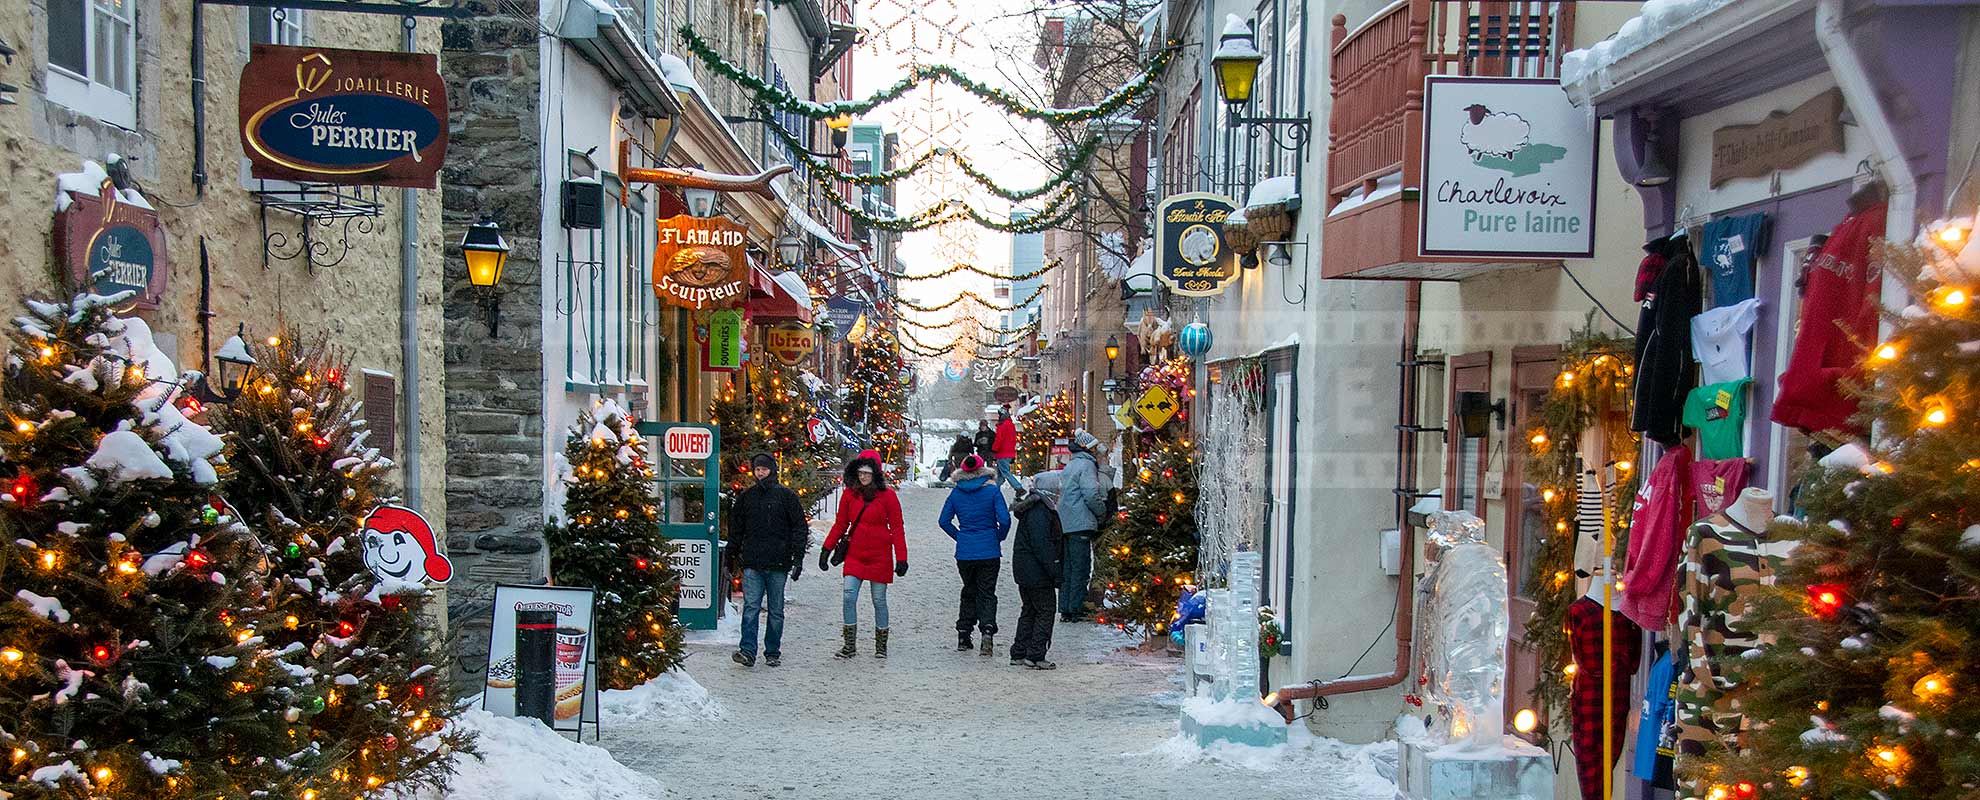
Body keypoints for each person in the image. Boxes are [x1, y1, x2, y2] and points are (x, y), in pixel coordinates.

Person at [819, 450, 908, 659]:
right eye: (860, 473)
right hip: (855, 553)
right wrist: (826, 548)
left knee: (879, 600)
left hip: (880, 555)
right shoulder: (850, 494)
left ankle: (881, 645)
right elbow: (841, 523)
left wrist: (902, 557)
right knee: (848, 595)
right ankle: (849, 645)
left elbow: (897, 528)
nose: (863, 477)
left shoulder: (888, 496)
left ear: (875, 474)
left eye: (867, 473)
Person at [727, 453, 807, 668]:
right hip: (753, 561)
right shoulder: (747, 498)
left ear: (771, 469)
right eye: (757, 469)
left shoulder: (787, 497)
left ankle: (772, 650)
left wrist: (797, 558)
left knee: (776, 610)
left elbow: (799, 527)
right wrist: (731, 556)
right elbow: (737, 529)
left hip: (778, 562)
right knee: (751, 607)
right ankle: (748, 651)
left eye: (763, 469)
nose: (760, 472)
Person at [938, 455, 1011, 655]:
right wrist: (998, 537)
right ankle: (987, 632)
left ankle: (963, 634)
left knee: (969, 590)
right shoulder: (992, 491)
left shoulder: (956, 493)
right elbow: (1004, 520)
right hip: (989, 550)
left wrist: (960, 537)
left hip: (965, 552)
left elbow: (943, 521)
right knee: (987, 592)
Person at [1010, 471, 1064, 669]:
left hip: (1025, 570)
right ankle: (1035, 654)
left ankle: (1019, 651)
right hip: (1037, 572)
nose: (1060, 491)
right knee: (1045, 610)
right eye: (1058, 488)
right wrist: (1055, 571)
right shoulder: (1041, 511)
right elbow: (1043, 546)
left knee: (1030, 610)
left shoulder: (1034, 508)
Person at [1057, 429, 1107, 622]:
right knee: (1080, 567)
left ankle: (1066, 607)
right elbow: (1091, 494)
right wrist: (1101, 512)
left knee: (1068, 568)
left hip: (1066, 522)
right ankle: (1077, 608)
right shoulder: (1086, 466)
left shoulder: (1071, 465)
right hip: (1081, 522)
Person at [992, 408, 1020, 488]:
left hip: (1002, 453)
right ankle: (995, 489)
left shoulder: (1002, 426)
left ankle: (1018, 487)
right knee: (1000, 475)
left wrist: (994, 449)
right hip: (1009, 452)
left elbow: (999, 439)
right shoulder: (1011, 425)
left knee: (1005, 472)